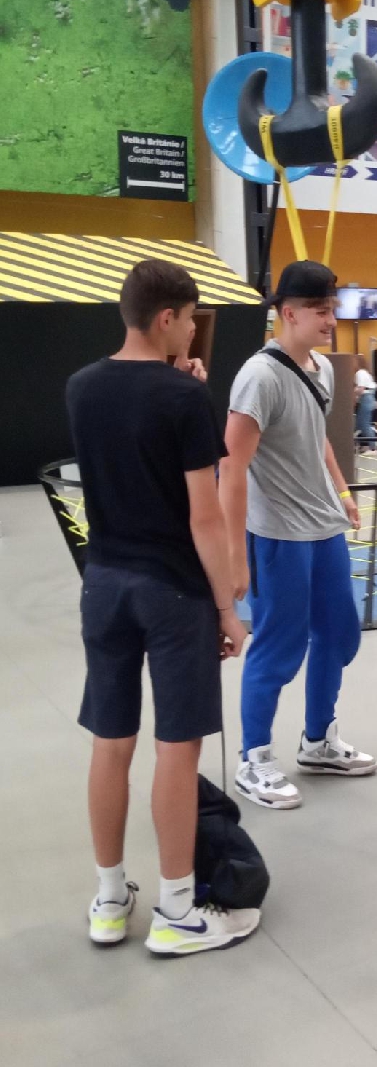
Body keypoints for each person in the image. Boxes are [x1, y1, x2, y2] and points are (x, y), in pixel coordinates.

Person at [66, 258, 258, 956]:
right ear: (167, 317)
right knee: (177, 749)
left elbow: (128, 433)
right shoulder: (182, 399)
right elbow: (204, 517)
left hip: (104, 584)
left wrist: (183, 390)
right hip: (171, 592)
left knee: (110, 742)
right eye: (189, 321)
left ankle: (109, 899)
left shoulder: (81, 387)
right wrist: (227, 610)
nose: (193, 334)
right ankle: (178, 911)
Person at [219, 261, 376, 811]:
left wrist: (342, 491)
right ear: (288, 313)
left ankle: (318, 742)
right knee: (279, 647)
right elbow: (231, 467)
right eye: (320, 311)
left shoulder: (322, 369)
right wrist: (235, 558)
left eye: (332, 309)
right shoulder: (259, 378)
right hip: (278, 535)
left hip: (323, 527)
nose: (331, 320)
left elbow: (317, 438)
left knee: (338, 634)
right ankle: (254, 759)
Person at [355, 353, 377, 455]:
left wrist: (352, 394)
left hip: (365, 398)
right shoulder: (367, 373)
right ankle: (367, 445)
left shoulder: (360, 373)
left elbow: (361, 389)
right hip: (370, 397)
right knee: (361, 423)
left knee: (364, 424)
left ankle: (372, 448)